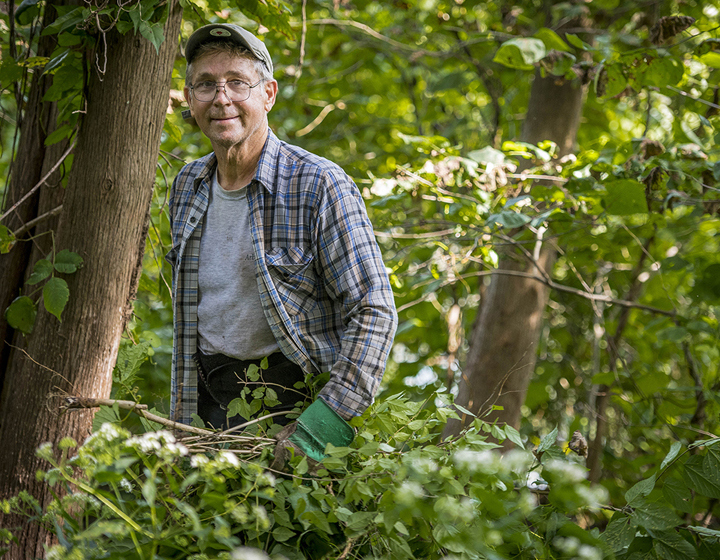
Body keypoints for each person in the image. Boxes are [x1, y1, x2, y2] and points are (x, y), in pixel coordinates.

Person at [166, 23, 397, 457]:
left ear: (268, 94)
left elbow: (375, 311)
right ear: (190, 98)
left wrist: (320, 429)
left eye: (238, 82)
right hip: (210, 409)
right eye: (206, 84)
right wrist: (183, 432)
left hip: (301, 405)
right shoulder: (187, 185)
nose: (222, 98)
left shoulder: (318, 184)